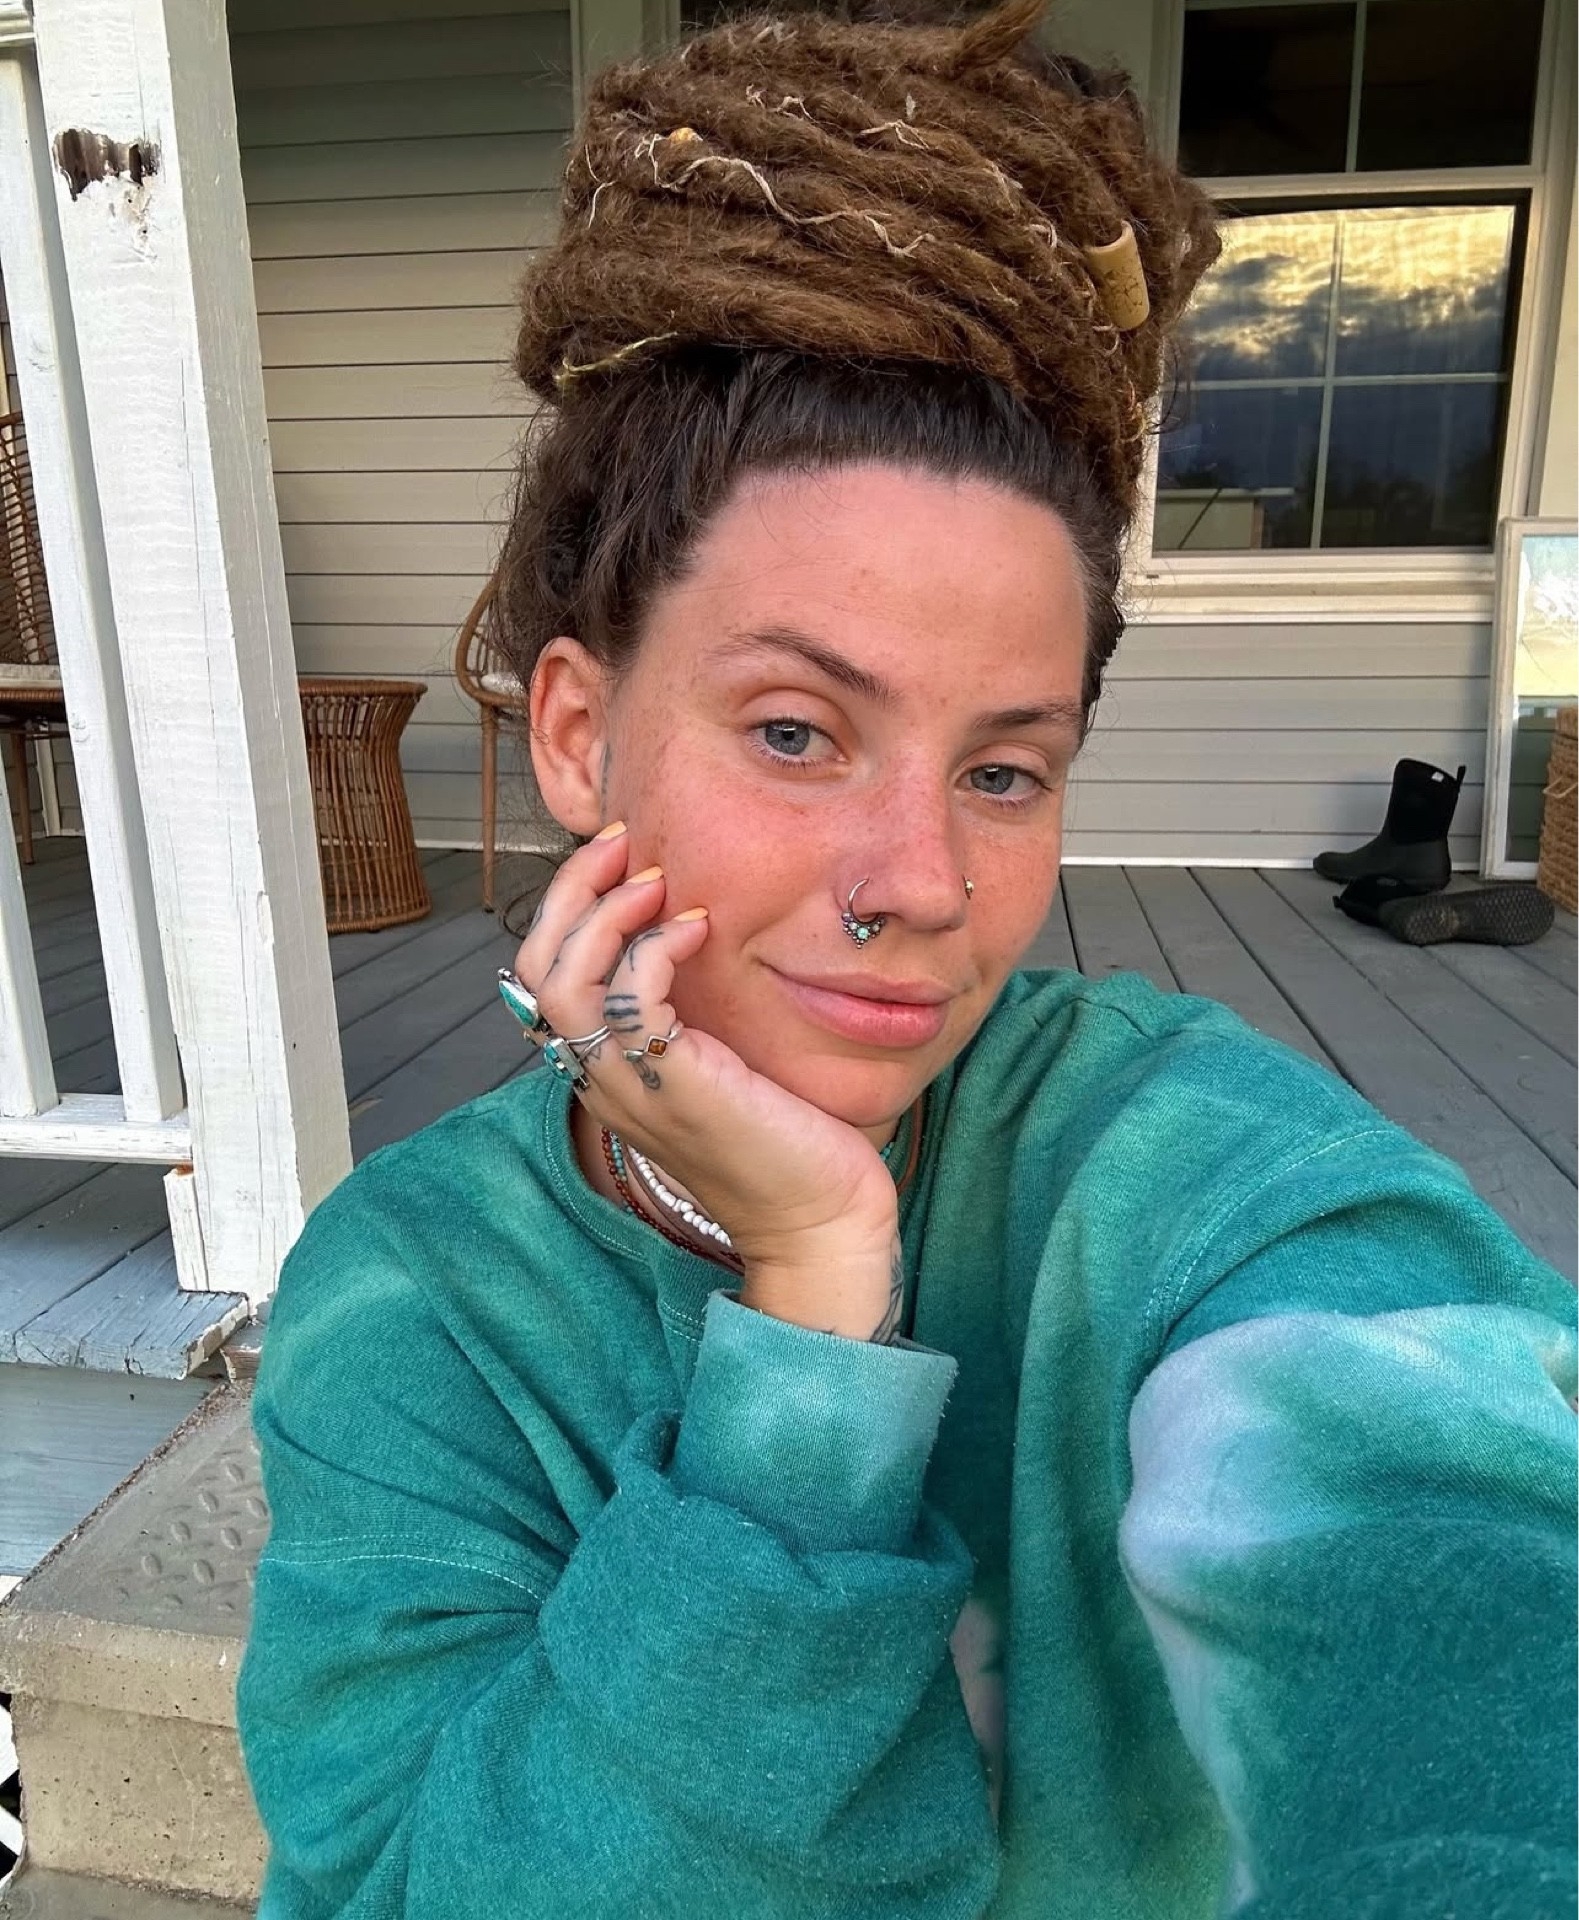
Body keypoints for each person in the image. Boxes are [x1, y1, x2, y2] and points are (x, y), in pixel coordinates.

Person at [236, 2, 1578, 1914]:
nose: (925, 881)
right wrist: (807, 1308)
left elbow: (1436, 1538)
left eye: (1004, 770)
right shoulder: (421, 1302)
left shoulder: (1171, 1170)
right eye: (797, 732)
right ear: (576, 733)